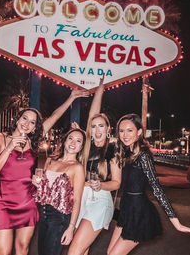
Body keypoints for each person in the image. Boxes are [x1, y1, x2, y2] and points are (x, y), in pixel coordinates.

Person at [0, 89, 89, 255]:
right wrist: (10, 147)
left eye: (33, 122)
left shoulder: (33, 142)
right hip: (3, 202)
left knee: (23, 248)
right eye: (24, 118)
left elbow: (54, 116)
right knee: (2, 251)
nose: (27, 123)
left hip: (28, 202)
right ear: (17, 119)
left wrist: (71, 97)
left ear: (35, 128)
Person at [107, 114, 190, 255]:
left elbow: (156, 188)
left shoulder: (143, 155)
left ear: (139, 132)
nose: (124, 135)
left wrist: (176, 223)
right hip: (126, 211)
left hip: (139, 213)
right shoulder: (125, 153)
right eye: (121, 131)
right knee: (110, 253)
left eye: (129, 130)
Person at [68, 75, 121, 255]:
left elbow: (116, 182)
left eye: (101, 126)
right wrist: (100, 89)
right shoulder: (87, 145)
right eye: (93, 126)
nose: (97, 130)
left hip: (100, 200)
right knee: (82, 250)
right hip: (80, 198)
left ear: (108, 130)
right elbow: (92, 114)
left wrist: (101, 185)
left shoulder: (113, 149)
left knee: (74, 251)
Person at [32, 128, 86, 255]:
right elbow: (43, 191)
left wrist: (71, 228)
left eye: (78, 141)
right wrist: (37, 184)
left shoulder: (77, 168)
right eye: (70, 138)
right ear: (65, 140)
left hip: (60, 218)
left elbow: (77, 200)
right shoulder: (50, 160)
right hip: (44, 213)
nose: (73, 143)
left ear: (81, 147)